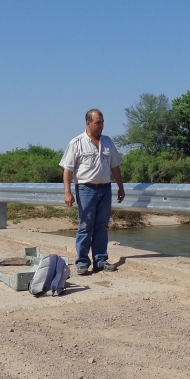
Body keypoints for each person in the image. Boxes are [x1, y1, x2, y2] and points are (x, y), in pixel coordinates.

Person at [61, 109, 125, 276]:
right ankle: (82, 262)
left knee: (102, 226)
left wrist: (120, 187)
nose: (101, 126)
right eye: (98, 122)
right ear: (88, 123)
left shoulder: (108, 141)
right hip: (86, 189)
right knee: (86, 225)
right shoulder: (76, 143)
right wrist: (67, 192)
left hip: (105, 188)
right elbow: (67, 170)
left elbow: (115, 166)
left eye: (102, 122)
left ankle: (100, 261)